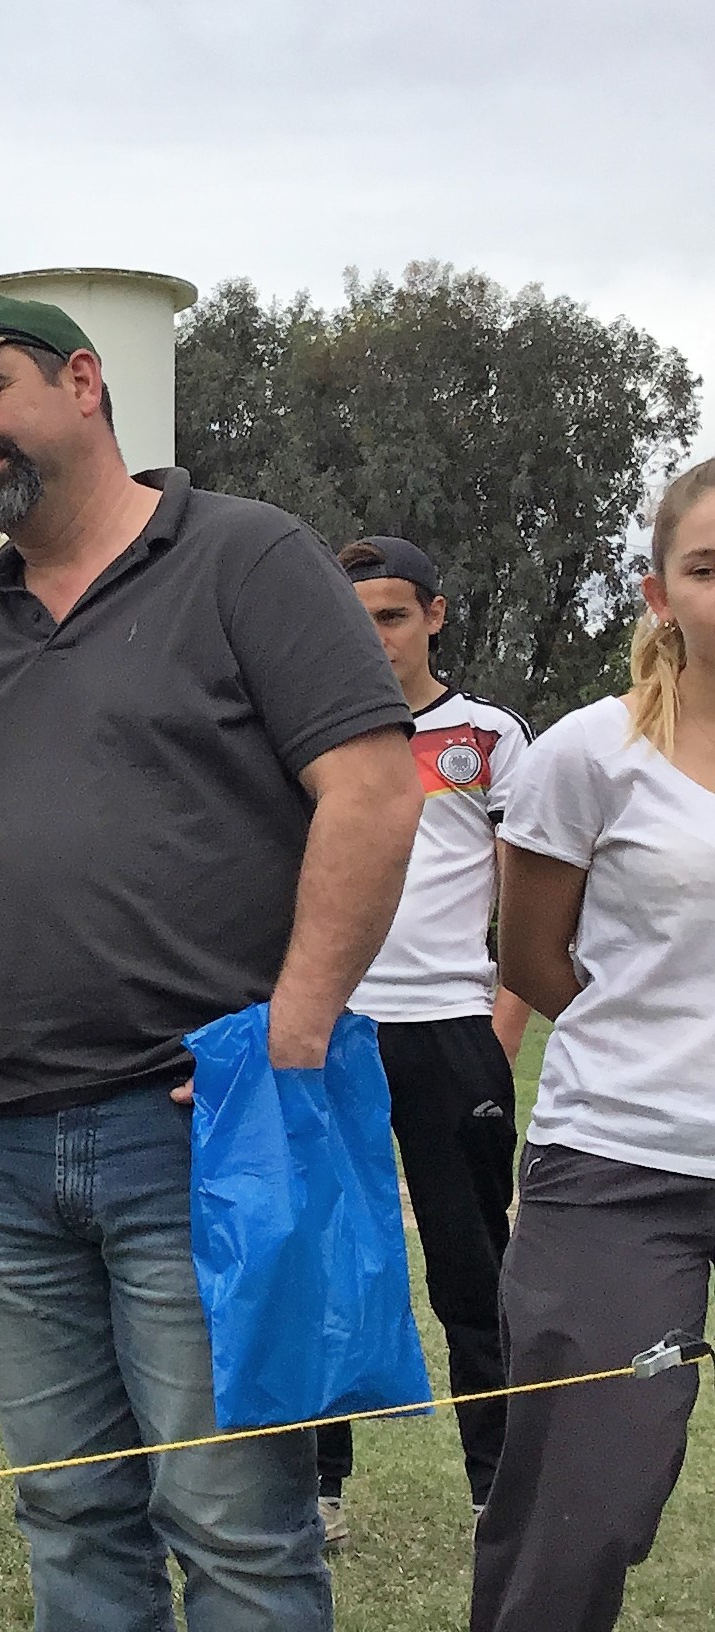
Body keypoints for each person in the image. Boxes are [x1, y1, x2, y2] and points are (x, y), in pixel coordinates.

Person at [0, 294, 422, 1632]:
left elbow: (373, 790)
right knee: (71, 1518)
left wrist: (292, 1032)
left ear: (86, 379)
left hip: (199, 1130)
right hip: (0, 1151)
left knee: (235, 1526)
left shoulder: (249, 559)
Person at [473, 458, 715, 1632]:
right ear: (659, 591)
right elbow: (533, 964)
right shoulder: (586, 753)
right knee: (583, 1513)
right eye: (709, 568)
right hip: (623, 1167)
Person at [311, 535, 533, 1546]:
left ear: (436, 616)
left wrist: (500, 1023)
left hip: (450, 1030)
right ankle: (320, 1492)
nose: (376, 639)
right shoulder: (310, 732)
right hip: (337, 1034)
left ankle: (498, 1489)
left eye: (393, 617)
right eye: (354, 624)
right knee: (329, 1263)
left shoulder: (487, 736)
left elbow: (529, 894)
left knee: (471, 1271)